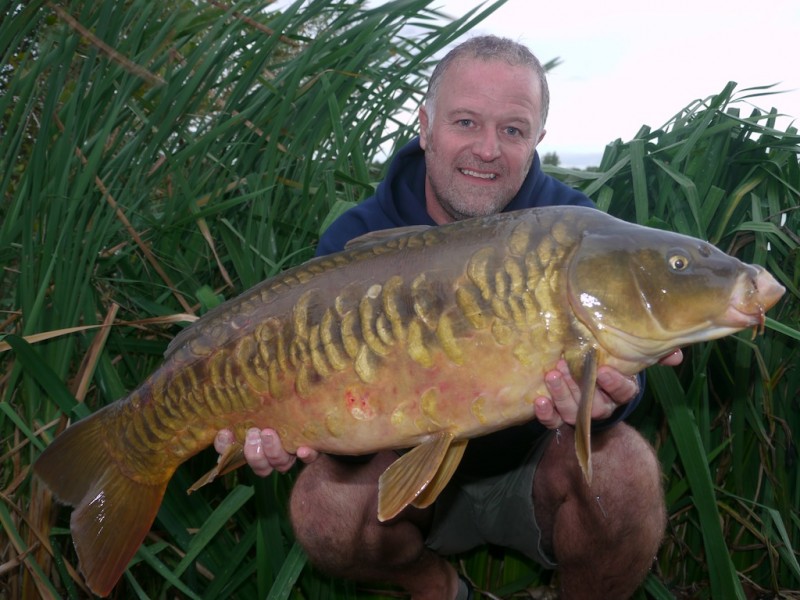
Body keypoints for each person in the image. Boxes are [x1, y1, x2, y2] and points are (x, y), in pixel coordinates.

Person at [215, 35, 683, 599]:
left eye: (512, 130)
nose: (488, 149)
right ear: (425, 126)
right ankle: (435, 587)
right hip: (405, 471)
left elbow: (626, 378)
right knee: (322, 508)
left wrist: (617, 397)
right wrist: (282, 422)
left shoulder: (574, 233)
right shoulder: (356, 241)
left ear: (536, 139)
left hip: (534, 461)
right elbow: (335, 404)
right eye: (466, 122)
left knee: (627, 472)